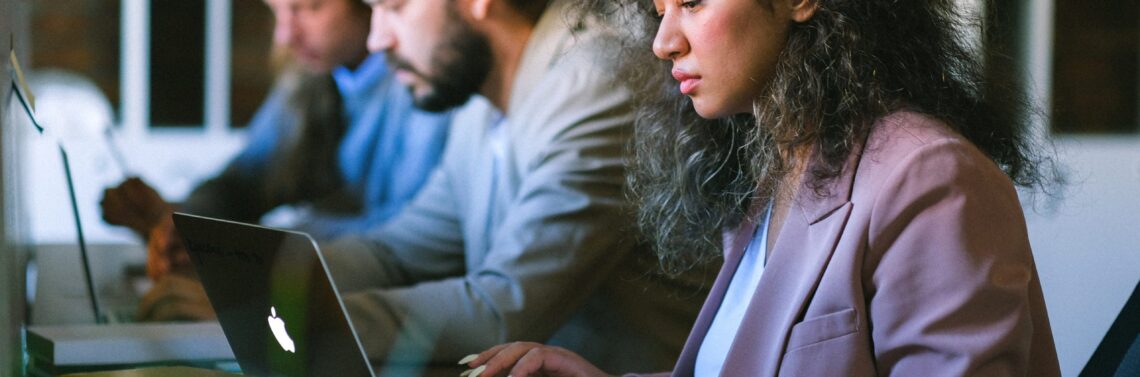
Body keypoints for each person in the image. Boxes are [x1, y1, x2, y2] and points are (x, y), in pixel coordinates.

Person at [463, 0, 1063, 376]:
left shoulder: (929, 177)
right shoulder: (769, 181)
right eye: (660, 8)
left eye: (692, 3)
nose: (662, 40)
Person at [100, 0, 451, 282]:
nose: (285, 35)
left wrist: (251, 244)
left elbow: (409, 235)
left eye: (308, 8)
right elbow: (245, 181)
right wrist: (184, 220)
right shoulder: (310, 77)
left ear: (368, 6)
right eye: (276, 11)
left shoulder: (426, 85)